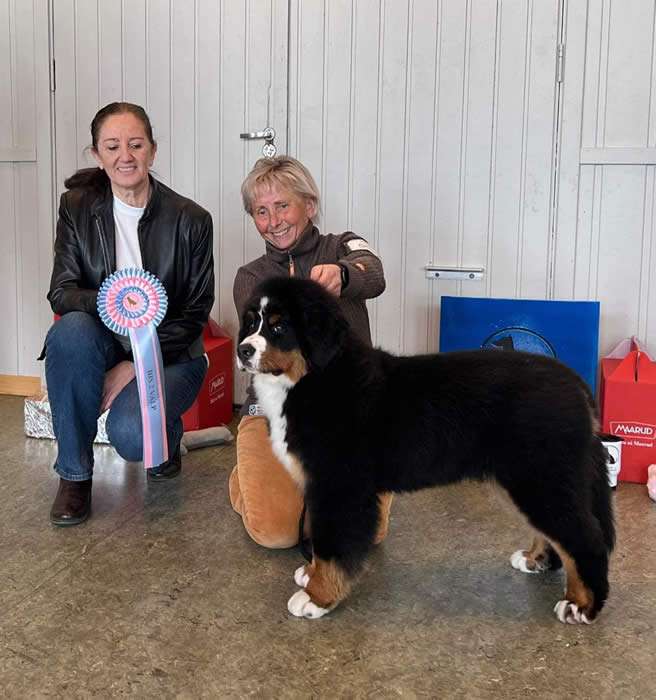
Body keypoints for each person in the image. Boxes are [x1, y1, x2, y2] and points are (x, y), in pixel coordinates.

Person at [45, 102, 214, 526]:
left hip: (175, 354)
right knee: (68, 333)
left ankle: (167, 438)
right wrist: (108, 298)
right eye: (113, 146)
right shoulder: (76, 207)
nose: (126, 156)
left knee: (132, 436)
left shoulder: (192, 219)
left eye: (136, 144)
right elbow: (61, 292)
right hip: (101, 342)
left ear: (152, 152)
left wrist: (135, 367)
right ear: (97, 156)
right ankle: (74, 476)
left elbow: (195, 313)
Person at [230, 155, 393, 548]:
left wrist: (344, 274)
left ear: (310, 205)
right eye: (261, 212)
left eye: (283, 205)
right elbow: (264, 359)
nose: (274, 221)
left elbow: (374, 270)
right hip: (277, 415)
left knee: (361, 533)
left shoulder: (342, 247)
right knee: (277, 534)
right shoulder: (250, 278)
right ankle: (245, 477)